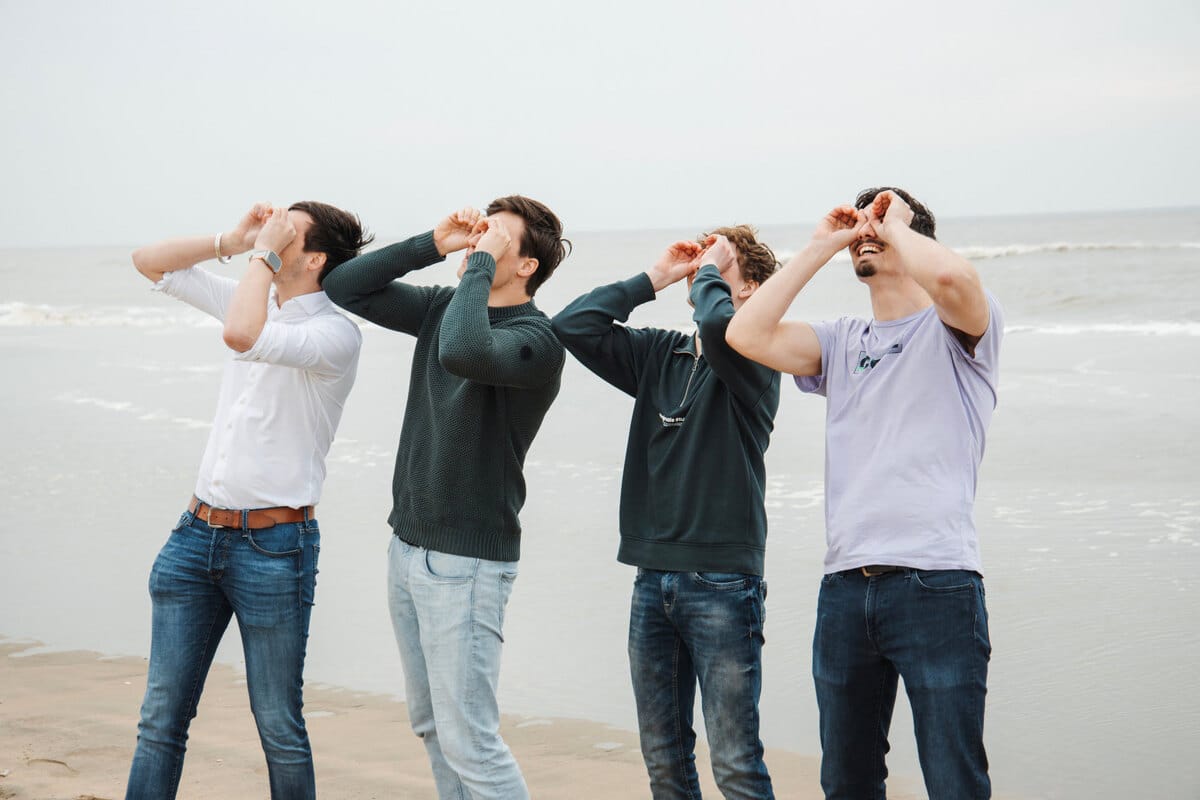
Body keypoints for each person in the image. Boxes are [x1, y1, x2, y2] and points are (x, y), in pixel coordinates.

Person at [727, 188, 1002, 799]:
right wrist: (823, 245)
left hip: (938, 582)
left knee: (954, 779)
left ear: (914, 236)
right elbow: (746, 333)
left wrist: (896, 223)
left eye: (882, 222)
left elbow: (952, 275)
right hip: (847, 588)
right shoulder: (841, 339)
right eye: (864, 226)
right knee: (846, 782)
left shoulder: (959, 327)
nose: (869, 231)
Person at [323, 196, 568, 799]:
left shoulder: (538, 341)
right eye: (481, 233)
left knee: (473, 744)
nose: (481, 242)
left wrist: (477, 265)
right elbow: (343, 286)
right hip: (408, 548)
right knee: (433, 728)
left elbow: (465, 349)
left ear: (526, 266)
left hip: (466, 564)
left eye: (498, 239)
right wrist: (433, 244)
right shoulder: (443, 308)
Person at [125, 201, 373, 799]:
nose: (272, 232)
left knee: (278, 725)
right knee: (160, 720)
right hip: (194, 534)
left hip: (273, 547)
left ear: (314, 259)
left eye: (287, 230)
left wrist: (260, 256)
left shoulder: (335, 333)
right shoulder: (255, 293)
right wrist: (230, 239)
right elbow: (149, 263)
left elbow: (241, 336)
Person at [551, 227, 781, 799]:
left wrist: (712, 271)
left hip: (723, 583)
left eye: (720, 274)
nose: (702, 280)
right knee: (664, 759)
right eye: (702, 275)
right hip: (652, 579)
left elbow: (718, 328)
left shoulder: (757, 359)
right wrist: (655, 277)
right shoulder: (659, 353)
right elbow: (572, 325)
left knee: (735, 762)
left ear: (750, 291)